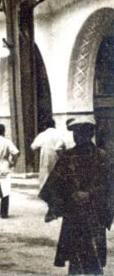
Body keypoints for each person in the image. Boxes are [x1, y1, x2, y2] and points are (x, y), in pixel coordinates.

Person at [39, 115, 114, 275]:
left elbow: (110, 186)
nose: (77, 136)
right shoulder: (97, 157)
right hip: (85, 214)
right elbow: (53, 185)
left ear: (87, 134)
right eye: (76, 133)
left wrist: (86, 195)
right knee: (83, 256)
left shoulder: (95, 157)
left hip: (84, 214)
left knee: (84, 256)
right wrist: (83, 195)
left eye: (80, 133)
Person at [31, 118, 67, 190]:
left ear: (45, 126)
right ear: (54, 125)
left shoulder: (42, 135)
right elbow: (61, 147)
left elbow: (33, 146)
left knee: (45, 177)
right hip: (57, 158)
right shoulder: (59, 134)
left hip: (45, 159)